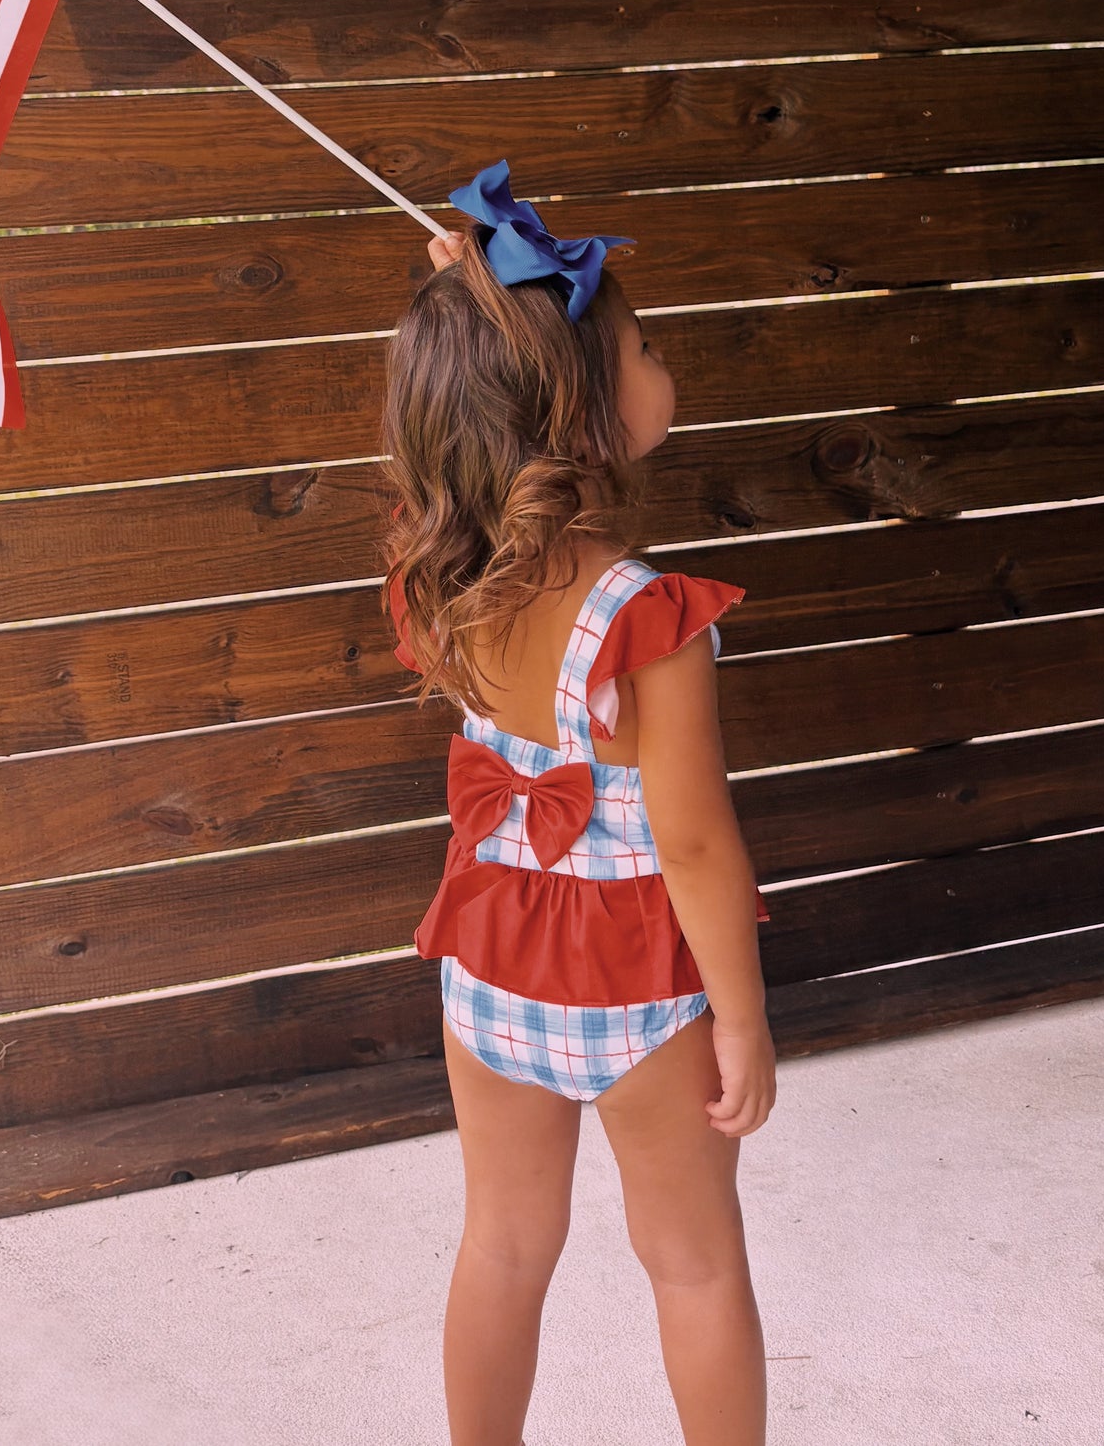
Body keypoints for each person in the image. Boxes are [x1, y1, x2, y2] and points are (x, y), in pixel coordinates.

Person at [381, 159, 776, 1446]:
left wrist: (473, 314)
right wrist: (742, 1020)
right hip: (637, 984)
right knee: (694, 1263)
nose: (665, 367)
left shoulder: (438, 571)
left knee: (499, 1248)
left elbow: (476, 409)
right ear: (584, 406)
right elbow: (696, 842)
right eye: (644, 348)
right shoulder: (645, 619)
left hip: (489, 963)